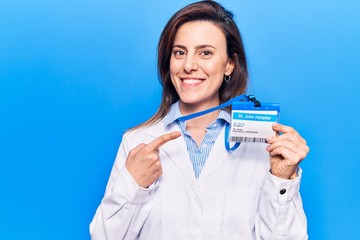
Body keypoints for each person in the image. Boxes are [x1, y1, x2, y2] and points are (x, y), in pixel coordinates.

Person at [90, 1, 309, 239]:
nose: (189, 65)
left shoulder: (262, 146)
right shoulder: (137, 142)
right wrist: (134, 186)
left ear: (229, 64)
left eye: (205, 53)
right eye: (179, 52)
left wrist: (281, 179)